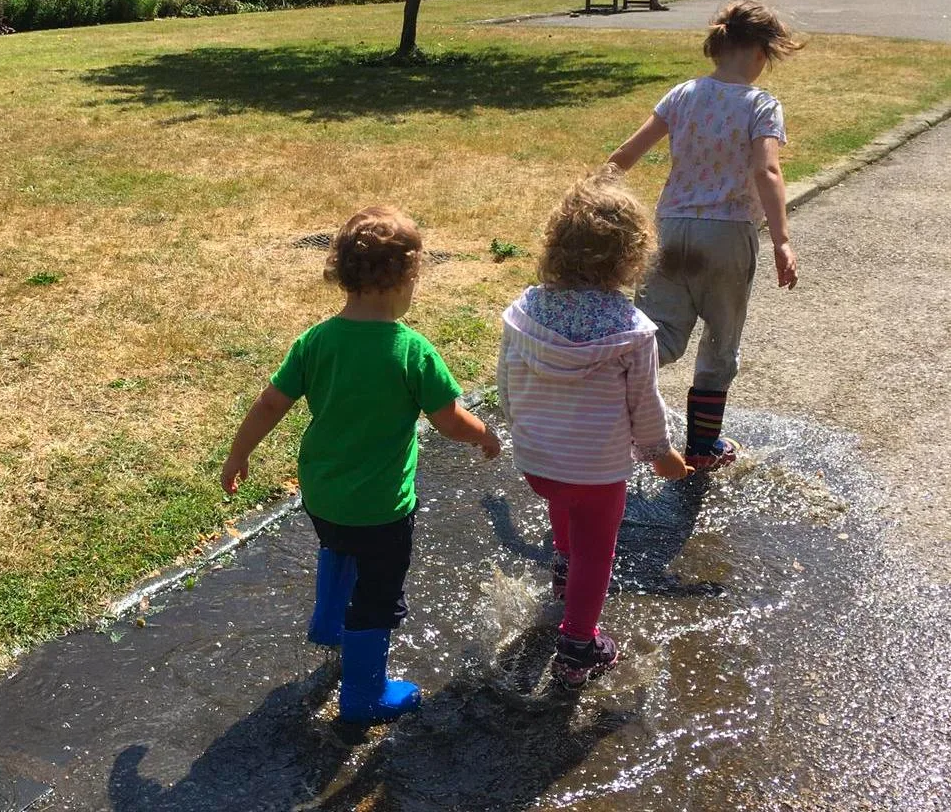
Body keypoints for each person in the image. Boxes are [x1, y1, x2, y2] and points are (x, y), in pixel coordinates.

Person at [221, 207, 501, 724]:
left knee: (337, 545)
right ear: (406, 278)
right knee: (377, 594)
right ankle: (364, 695)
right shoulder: (410, 350)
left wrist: (240, 452)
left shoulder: (317, 341)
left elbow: (269, 405)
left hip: (323, 495)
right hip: (381, 507)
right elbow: (450, 421)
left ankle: (329, 623)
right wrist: (485, 434)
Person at [496, 169, 692, 689]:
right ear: (631, 257)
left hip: (538, 460)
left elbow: (507, 379)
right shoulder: (631, 329)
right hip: (597, 468)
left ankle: (561, 568)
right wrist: (659, 452)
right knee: (596, 552)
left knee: (565, 506)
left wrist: (519, 426)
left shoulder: (525, 311)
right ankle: (579, 643)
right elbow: (644, 402)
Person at [606, 0, 802, 472]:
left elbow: (628, 152)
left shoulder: (683, 94)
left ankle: (601, 393)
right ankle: (702, 448)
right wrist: (781, 240)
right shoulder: (761, 104)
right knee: (719, 340)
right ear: (760, 51)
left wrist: (594, 191)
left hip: (671, 228)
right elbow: (767, 170)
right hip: (729, 235)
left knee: (658, 335)